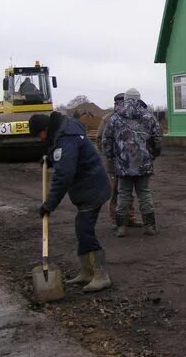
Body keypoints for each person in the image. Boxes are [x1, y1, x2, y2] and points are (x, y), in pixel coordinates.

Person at [29, 111, 112, 292]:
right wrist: (52, 161)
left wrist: (49, 204)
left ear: (45, 129)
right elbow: (69, 159)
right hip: (88, 186)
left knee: (85, 230)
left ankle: (101, 275)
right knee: (80, 227)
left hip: (92, 188)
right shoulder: (63, 131)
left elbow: (64, 176)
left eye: (39, 135)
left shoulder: (66, 138)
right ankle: (87, 271)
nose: (40, 139)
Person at [102, 88, 163, 237]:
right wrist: (153, 155)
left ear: (126, 99)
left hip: (123, 164)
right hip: (144, 163)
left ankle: (121, 227)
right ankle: (150, 226)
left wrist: (112, 156)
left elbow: (106, 139)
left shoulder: (115, 118)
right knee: (144, 193)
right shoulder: (148, 116)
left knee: (123, 194)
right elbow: (158, 138)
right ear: (139, 98)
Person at [96, 93, 142, 228]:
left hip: (129, 164)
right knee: (115, 192)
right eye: (120, 104)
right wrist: (112, 154)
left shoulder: (132, 117)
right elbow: (100, 140)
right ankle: (117, 219)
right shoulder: (108, 119)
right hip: (113, 164)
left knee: (127, 192)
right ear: (116, 104)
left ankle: (130, 218)